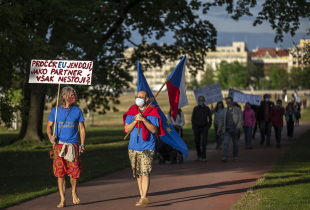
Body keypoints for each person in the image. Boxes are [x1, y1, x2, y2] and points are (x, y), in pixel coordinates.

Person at [123, 90, 164, 207]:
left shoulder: (152, 111)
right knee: (138, 173)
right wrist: (135, 121)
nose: (138, 99)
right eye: (137, 96)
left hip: (147, 146)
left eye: (141, 97)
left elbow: (154, 129)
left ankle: (144, 197)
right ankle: (142, 197)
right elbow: (126, 129)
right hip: (133, 147)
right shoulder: (132, 112)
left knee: (145, 172)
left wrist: (144, 119)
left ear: (146, 99)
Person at [46, 86, 86, 208]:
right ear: (64, 96)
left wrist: (82, 144)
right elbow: (48, 126)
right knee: (60, 173)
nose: (73, 97)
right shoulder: (55, 111)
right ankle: (62, 199)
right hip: (59, 146)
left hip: (73, 146)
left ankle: (74, 191)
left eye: (74, 94)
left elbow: (82, 128)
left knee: (75, 172)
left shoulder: (77, 111)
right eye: (71, 95)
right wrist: (50, 136)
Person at [217, 97, 243, 162]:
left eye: (229, 102)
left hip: (235, 129)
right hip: (227, 130)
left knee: (235, 144)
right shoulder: (224, 110)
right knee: (226, 143)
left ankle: (235, 156)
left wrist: (238, 127)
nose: (228, 103)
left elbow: (240, 119)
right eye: (227, 102)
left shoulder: (238, 109)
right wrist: (219, 129)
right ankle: (225, 157)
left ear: (232, 102)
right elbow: (222, 120)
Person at [191, 96, 212, 162]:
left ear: (204, 100)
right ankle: (198, 155)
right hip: (197, 127)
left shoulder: (207, 109)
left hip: (204, 127)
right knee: (197, 142)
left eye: (202, 100)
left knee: (204, 142)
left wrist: (208, 126)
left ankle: (203, 156)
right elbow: (193, 118)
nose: (201, 101)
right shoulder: (195, 109)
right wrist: (194, 126)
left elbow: (210, 118)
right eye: (200, 100)